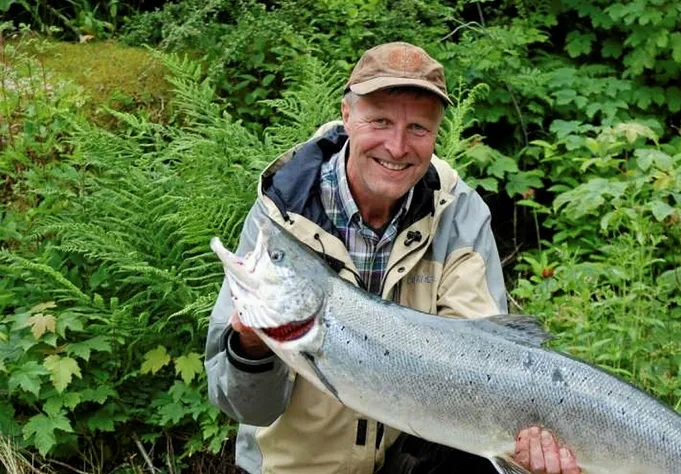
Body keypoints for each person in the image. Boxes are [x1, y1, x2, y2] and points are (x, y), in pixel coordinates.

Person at [204, 42, 580, 474]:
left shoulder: (460, 212)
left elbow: (484, 357)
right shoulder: (280, 218)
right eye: (380, 121)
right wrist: (251, 347)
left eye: (418, 128)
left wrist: (524, 438)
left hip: (412, 458)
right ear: (347, 116)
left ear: (436, 133)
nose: (397, 147)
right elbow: (244, 407)